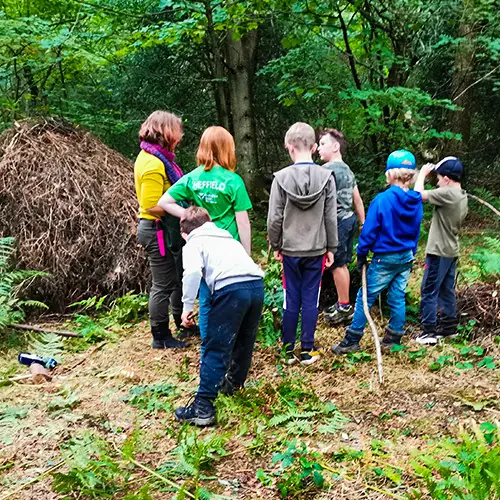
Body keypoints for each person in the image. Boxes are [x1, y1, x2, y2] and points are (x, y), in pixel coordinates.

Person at [158, 126, 253, 355]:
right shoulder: (233, 181)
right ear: (227, 149)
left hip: (201, 246)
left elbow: (164, 202)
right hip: (228, 247)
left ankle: (208, 348)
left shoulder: (192, 177)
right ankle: (228, 344)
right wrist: (247, 255)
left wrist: (190, 216)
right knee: (228, 297)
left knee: (206, 298)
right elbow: (243, 222)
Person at [174, 207, 264, 426]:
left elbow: (193, 272)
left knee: (217, 345)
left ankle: (203, 407)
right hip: (256, 285)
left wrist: (186, 306)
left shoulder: (194, 242)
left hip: (230, 289)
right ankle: (232, 385)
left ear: (184, 233)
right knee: (244, 341)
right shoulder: (228, 238)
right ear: (209, 221)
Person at [332, 150, 423, 354]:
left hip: (385, 258)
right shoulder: (416, 200)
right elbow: (416, 229)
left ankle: (352, 339)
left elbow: (370, 230)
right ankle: (393, 337)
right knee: (397, 296)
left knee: (365, 296)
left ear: (390, 174)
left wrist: (362, 254)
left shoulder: (382, 200)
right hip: (406, 256)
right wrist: (413, 251)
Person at [267, 122, 338, 366]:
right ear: (315, 146)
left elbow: (274, 218)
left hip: (290, 250)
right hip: (316, 250)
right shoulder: (327, 177)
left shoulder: (281, 178)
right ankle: (307, 350)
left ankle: (287, 351)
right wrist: (332, 248)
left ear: (289, 147)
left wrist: (276, 245)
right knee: (311, 299)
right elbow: (331, 217)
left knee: (290, 298)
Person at [134, 110, 192, 349]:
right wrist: (185, 211)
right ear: (165, 131)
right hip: (156, 230)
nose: (180, 136)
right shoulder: (151, 162)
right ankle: (160, 336)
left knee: (178, 277)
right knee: (163, 284)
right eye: (177, 131)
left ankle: (182, 323)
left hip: (167, 229)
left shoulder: (161, 158)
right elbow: (151, 204)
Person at [414, 157, 468, 345]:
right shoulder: (461, 195)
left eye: (438, 178)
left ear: (446, 179)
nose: (436, 181)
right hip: (451, 249)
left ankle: (429, 332)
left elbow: (417, 195)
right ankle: (448, 327)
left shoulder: (447, 193)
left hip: (438, 250)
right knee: (446, 290)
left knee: (428, 290)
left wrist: (421, 174)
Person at [317, 129, 365, 323]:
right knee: (341, 264)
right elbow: (357, 200)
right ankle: (342, 303)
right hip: (348, 220)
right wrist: (363, 223)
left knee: (337, 265)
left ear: (335, 147)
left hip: (336, 223)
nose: (318, 149)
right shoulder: (347, 169)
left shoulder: (325, 170)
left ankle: (345, 307)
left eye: (322, 144)